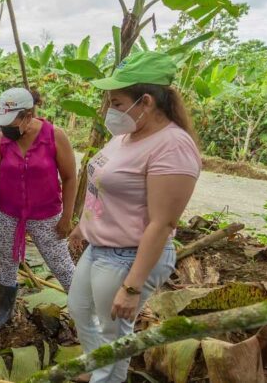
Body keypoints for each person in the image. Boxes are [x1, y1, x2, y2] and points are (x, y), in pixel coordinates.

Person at [67, 51, 201, 383]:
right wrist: (83, 227)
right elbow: (103, 186)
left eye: (116, 101)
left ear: (145, 102)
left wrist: (132, 286)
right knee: (80, 310)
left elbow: (163, 222)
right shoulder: (125, 136)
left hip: (128, 256)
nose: (110, 109)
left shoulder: (172, 147)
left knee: (115, 335)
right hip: (99, 247)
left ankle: (107, 377)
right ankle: (96, 368)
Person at [0, 87, 77, 332]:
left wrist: (67, 217)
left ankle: (85, 313)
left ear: (28, 116)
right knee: (7, 262)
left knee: (62, 266)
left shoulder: (54, 136)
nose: (5, 129)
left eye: (10, 122)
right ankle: (5, 309)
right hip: (8, 214)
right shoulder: (0, 141)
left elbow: (69, 178)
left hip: (46, 216)